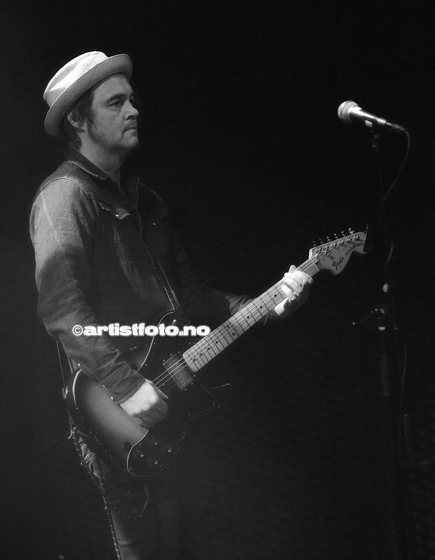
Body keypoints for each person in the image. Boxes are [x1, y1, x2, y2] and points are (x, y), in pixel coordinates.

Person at [30, 51, 312, 560]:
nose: (133, 110)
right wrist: (125, 385)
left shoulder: (147, 200)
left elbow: (194, 298)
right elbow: (63, 312)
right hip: (113, 421)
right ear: (78, 120)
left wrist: (269, 303)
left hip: (172, 409)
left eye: (131, 99)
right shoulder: (65, 198)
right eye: (115, 103)